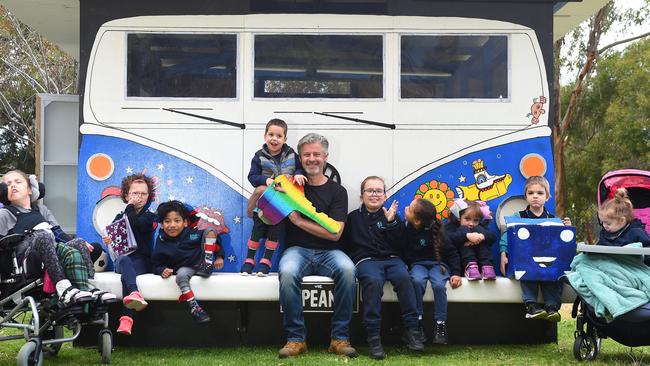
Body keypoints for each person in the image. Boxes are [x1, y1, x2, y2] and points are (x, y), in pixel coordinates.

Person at [277, 133, 357, 359]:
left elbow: (335, 234)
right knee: (288, 272)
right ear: (300, 159)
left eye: (316, 154)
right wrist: (262, 192)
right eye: (307, 155)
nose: (312, 159)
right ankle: (295, 340)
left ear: (325, 157)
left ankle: (339, 339)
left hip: (330, 252)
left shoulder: (337, 191)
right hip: (297, 251)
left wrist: (298, 221)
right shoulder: (289, 186)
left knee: (349, 270)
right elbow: (255, 211)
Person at [0, 170, 116, 306]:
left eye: (18, 182)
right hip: (25, 264)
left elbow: (58, 234)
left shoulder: (42, 210)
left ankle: (89, 285)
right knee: (43, 236)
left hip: (51, 253)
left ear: (30, 189)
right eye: (8, 184)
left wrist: (80, 242)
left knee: (78, 242)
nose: (13, 185)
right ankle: (63, 288)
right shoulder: (4, 214)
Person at [342, 176, 423, 359]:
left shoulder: (393, 216)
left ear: (385, 196)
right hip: (366, 260)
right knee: (373, 281)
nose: (374, 194)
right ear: (362, 195)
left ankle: (412, 330)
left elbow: (402, 245)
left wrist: (391, 223)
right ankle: (373, 337)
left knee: (404, 278)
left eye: (378, 191)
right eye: (369, 190)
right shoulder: (352, 218)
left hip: (392, 259)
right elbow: (346, 245)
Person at [499, 176, 571, 322]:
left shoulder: (554, 220)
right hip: (525, 260)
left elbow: (561, 244)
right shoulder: (517, 217)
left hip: (547, 262)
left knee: (553, 276)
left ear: (547, 196)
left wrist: (566, 229)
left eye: (540, 193)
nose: (535, 196)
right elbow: (507, 235)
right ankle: (531, 306)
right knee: (527, 271)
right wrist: (503, 252)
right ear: (526, 196)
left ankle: (552, 307)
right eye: (531, 193)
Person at [242, 119, 306, 276]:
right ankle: (249, 260)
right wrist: (266, 180)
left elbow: (299, 169)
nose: (274, 139)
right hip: (263, 203)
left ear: (285, 139)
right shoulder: (258, 157)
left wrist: (298, 175)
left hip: (282, 204)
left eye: (279, 135)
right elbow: (252, 177)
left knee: (274, 232)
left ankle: (266, 261)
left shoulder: (292, 155)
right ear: (265, 136)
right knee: (257, 231)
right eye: (271, 134)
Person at [400, 198, 462, 345]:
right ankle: (418, 323)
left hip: (438, 265)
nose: (406, 207)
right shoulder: (406, 229)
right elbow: (402, 251)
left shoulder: (439, 230)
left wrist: (455, 273)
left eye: (409, 208)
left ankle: (440, 325)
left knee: (439, 286)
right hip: (418, 265)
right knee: (416, 281)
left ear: (417, 221)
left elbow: (452, 253)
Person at [151, 201, 224, 324]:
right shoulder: (161, 241)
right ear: (162, 225)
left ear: (185, 222)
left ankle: (207, 263)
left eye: (177, 220)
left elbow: (214, 237)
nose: (172, 225)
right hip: (185, 268)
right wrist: (162, 270)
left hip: (200, 264)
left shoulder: (192, 234)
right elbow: (155, 263)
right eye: (167, 221)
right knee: (181, 276)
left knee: (210, 231)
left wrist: (219, 256)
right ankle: (195, 308)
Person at [102, 173, 157, 335]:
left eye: (143, 194)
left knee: (125, 275)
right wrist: (109, 241)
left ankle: (127, 318)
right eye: (135, 193)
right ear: (126, 195)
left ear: (148, 197)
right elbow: (114, 242)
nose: (139, 197)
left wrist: (129, 208)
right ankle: (134, 294)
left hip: (142, 260)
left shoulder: (149, 217)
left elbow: (137, 224)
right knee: (124, 261)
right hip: (123, 259)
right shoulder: (119, 217)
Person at [445, 199, 497, 280]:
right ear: (459, 217)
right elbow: (447, 237)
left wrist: (481, 237)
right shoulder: (452, 227)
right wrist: (467, 236)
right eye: (467, 219)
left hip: (480, 266)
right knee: (463, 229)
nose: (471, 223)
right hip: (461, 266)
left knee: (480, 230)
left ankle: (487, 267)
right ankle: (470, 268)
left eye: (475, 220)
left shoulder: (479, 227)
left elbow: (493, 236)